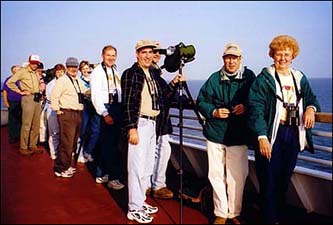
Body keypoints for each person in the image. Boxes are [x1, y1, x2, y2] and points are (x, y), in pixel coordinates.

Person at [247, 35, 320, 224]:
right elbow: (256, 108)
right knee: (269, 179)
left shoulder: (299, 77)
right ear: (272, 55)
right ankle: (269, 219)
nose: (283, 58)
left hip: (293, 133)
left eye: (287, 54)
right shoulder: (264, 79)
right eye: (279, 54)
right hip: (272, 133)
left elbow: (311, 98)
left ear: (293, 55)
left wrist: (311, 109)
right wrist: (262, 137)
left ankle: (277, 216)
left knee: (284, 177)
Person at [197, 43, 256, 224]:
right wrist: (214, 112)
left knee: (237, 175)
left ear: (240, 59)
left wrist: (245, 106)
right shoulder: (214, 79)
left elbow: (257, 99)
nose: (231, 61)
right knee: (216, 174)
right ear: (223, 59)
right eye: (228, 57)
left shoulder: (249, 77)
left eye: (235, 58)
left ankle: (234, 212)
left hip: (238, 135)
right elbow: (201, 101)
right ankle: (221, 212)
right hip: (215, 133)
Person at [121, 40, 161, 224]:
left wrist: (176, 82)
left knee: (146, 167)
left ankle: (140, 201)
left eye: (150, 52)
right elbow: (128, 103)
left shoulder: (152, 73)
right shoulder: (131, 74)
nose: (147, 56)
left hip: (152, 124)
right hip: (140, 123)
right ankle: (134, 209)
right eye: (143, 52)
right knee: (136, 168)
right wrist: (132, 128)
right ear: (137, 54)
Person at [147, 41, 184, 199]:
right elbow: (162, 96)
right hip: (156, 120)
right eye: (153, 51)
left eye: (158, 52)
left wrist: (174, 84)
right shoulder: (150, 74)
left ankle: (152, 184)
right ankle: (155, 185)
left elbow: (165, 95)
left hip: (160, 121)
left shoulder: (156, 73)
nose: (156, 55)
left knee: (160, 151)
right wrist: (174, 83)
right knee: (156, 153)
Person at [90, 45, 125, 190]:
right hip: (106, 108)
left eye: (113, 55)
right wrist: (105, 113)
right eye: (108, 55)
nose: (111, 58)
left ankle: (102, 173)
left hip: (115, 107)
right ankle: (112, 178)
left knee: (110, 144)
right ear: (102, 55)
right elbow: (95, 95)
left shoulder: (114, 70)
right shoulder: (98, 72)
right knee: (109, 145)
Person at [50, 57, 87, 178]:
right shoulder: (63, 80)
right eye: (70, 66)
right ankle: (60, 169)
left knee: (72, 143)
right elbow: (54, 96)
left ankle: (66, 165)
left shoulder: (76, 80)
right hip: (67, 113)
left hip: (77, 113)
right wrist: (57, 110)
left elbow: (86, 91)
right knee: (66, 142)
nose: (73, 69)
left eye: (75, 67)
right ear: (67, 67)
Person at [7, 55, 44, 155]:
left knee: (36, 124)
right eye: (33, 63)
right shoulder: (23, 71)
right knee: (27, 124)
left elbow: (39, 84)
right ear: (29, 61)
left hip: (37, 99)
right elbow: (10, 83)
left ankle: (33, 145)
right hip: (28, 99)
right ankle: (23, 147)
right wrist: (20, 91)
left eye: (36, 63)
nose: (35, 65)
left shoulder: (36, 73)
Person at [77, 60, 99, 163]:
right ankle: (80, 152)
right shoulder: (79, 81)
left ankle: (88, 151)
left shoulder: (94, 79)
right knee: (83, 130)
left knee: (95, 131)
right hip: (85, 107)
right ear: (80, 70)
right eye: (84, 69)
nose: (86, 71)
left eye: (87, 69)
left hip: (94, 106)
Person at [45, 63, 66, 160]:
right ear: (55, 73)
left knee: (64, 132)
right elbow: (50, 98)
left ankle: (63, 152)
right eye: (58, 72)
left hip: (64, 109)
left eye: (62, 72)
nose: (60, 74)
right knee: (54, 132)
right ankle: (54, 152)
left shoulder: (67, 82)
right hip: (53, 109)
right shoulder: (51, 84)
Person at [2, 65, 22, 143]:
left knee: (21, 119)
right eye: (19, 70)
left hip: (22, 102)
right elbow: (5, 91)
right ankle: (12, 136)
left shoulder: (22, 80)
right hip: (13, 102)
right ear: (14, 71)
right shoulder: (9, 79)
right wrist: (6, 102)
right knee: (13, 119)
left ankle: (19, 135)